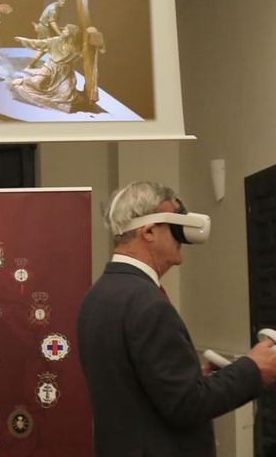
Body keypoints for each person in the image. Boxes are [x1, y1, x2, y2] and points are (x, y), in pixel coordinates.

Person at [78, 182, 276, 457]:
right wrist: (254, 369)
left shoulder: (96, 296)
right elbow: (186, 405)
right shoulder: (147, 303)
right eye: (176, 228)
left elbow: (136, 387)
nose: (182, 238)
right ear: (148, 231)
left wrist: (194, 378)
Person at [10, 24, 83, 112]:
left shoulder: (77, 47)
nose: (63, 31)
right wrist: (23, 40)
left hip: (64, 72)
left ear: (72, 33)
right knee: (36, 81)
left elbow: (93, 51)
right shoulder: (56, 40)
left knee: (65, 93)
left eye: (66, 30)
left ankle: (59, 102)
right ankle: (23, 81)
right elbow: (40, 43)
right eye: (64, 30)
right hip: (50, 67)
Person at [27, 0, 70, 69]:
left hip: (45, 27)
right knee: (46, 47)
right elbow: (52, 22)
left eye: (65, 1)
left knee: (47, 47)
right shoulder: (54, 8)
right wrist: (60, 34)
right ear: (58, 0)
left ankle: (32, 65)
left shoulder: (56, 6)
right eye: (62, 1)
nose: (63, 3)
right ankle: (31, 65)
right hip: (45, 28)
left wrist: (60, 28)